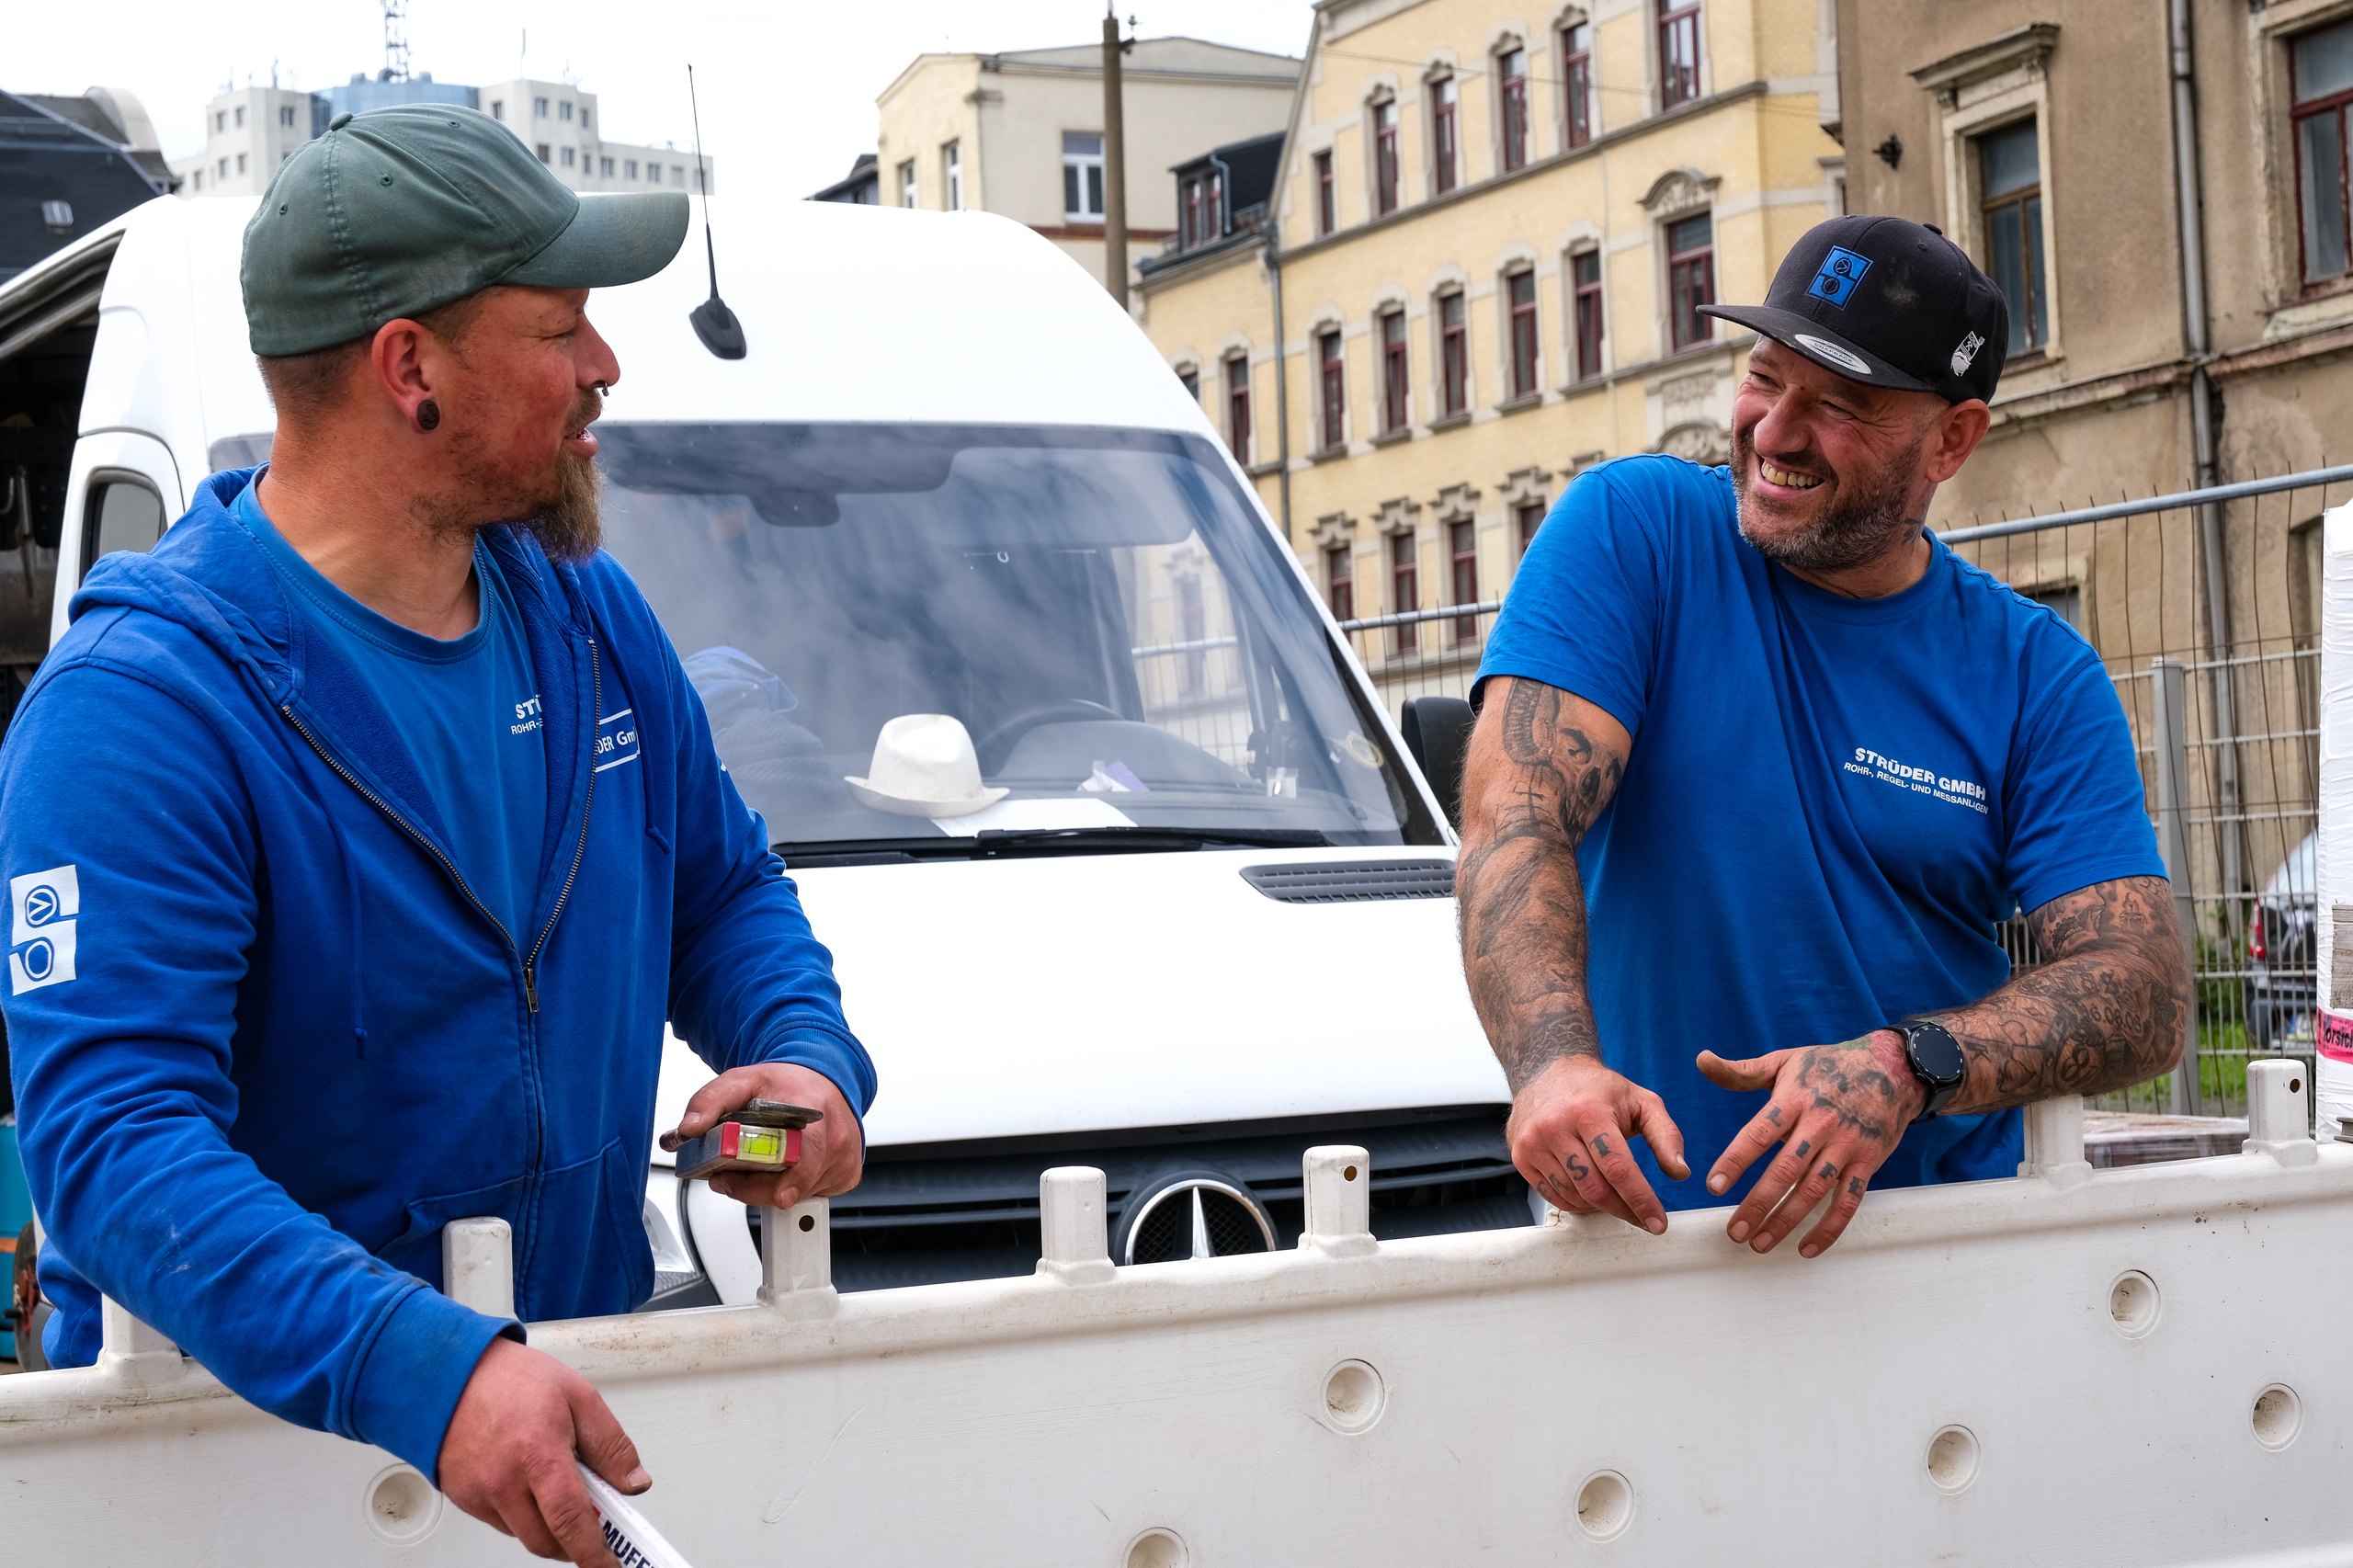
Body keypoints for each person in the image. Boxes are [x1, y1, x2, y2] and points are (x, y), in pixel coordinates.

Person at [0, 106, 873, 1565]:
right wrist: (432, 1369)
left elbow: (720, 891)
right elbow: (116, 1142)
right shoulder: (141, 709)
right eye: (560, 328)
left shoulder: (586, 617)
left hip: (557, 1439)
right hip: (240, 1479)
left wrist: (801, 1054)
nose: (605, 364)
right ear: (410, 368)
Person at [1457, 215, 2190, 1259]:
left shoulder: (2036, 673)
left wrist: (1908, 1064)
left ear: (1951, 440)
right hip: (1648, 1240)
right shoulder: (1635, 531)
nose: (1774, 431)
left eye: (1839, 404)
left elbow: (2144, 985)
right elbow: (1515, 815)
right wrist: (1552, 1065)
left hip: (1934, 1243)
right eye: (1765, 377)